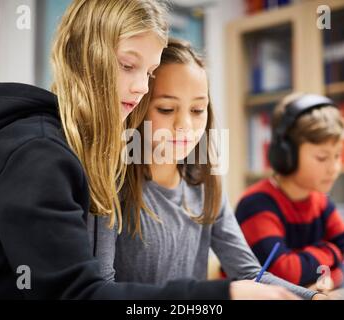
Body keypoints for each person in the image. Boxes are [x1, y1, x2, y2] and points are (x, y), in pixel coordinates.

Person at [0, 0, 297, 300]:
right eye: (127, 65)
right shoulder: (38, 154)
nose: (140, 87)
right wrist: (223, 295)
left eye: (148, 72)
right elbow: (79, 293)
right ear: (82, 56)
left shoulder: (74, 152)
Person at [90, 39, 325, 300]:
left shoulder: (206, 185)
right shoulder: (109, 185)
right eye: (166, 109)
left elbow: (248, 272)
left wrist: (313, 298)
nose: (185, 124)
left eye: (197, 109)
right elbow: (101, 291)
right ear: (136, 108)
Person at [236, 93, 344, 290]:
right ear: (286, 155)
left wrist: (331, 279)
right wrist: (331, 251)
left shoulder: (321, 203)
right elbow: (286, 274)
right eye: (321, 157)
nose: (334, 167)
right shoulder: (256, 205)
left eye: (338, 155)